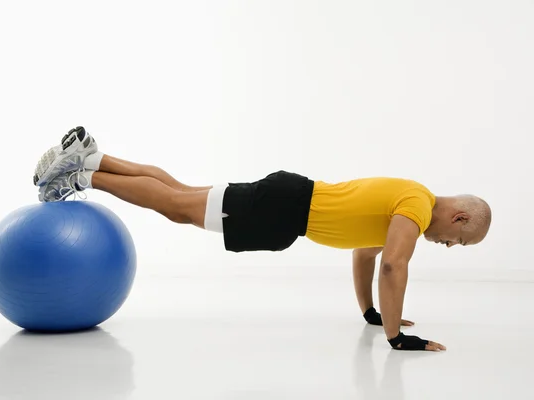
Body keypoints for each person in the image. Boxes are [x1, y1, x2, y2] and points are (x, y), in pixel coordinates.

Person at [33, 126, 492, 352]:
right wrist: (397, 339)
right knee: (175, 207)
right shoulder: (417, 207)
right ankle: (83, 175)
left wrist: (371, 313)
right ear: (460, 216)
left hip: (288, 203)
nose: (448, 246)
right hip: (284, 210)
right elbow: (394, 264)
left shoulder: (409, 200)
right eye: (458, 240)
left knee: (178, 192)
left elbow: (366, 254)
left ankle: (93, 153)